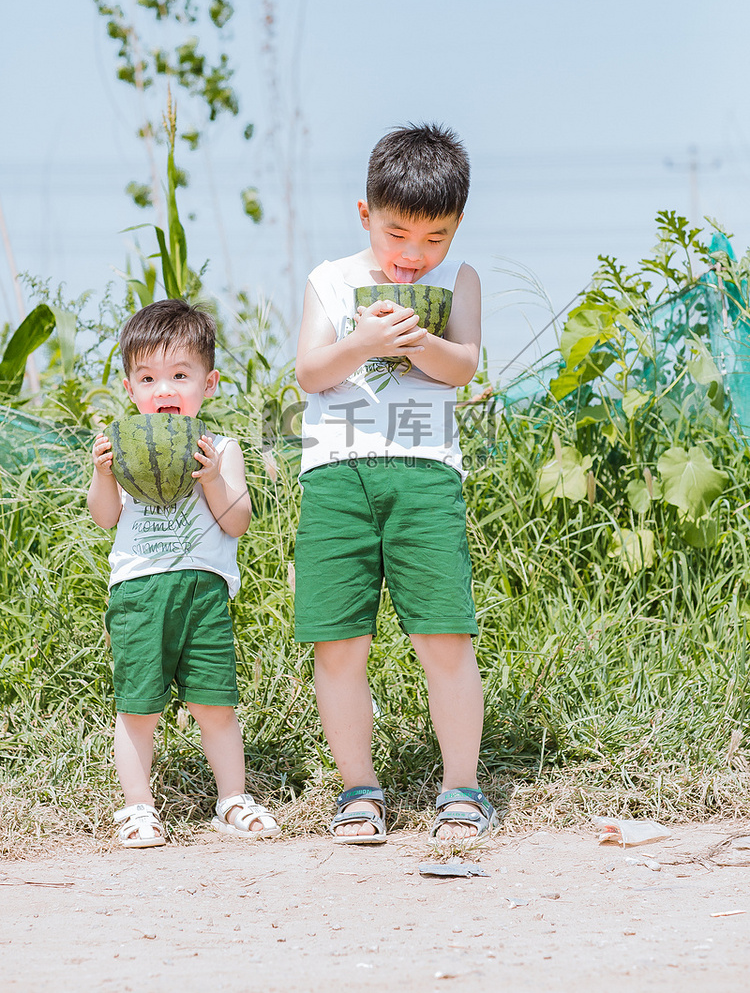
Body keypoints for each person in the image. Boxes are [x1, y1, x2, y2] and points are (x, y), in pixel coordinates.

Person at [294, 124, 497, 847]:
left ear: (456, 228)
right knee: (338, 642)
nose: (414, 255)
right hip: (335, 477)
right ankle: (358, 789)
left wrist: (418, 341)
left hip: (424, 476)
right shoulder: (331, 278)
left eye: (434, 237)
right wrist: (361, 343)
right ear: (364, 214)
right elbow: (310, 373)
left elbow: (465, 364)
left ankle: (462, 788)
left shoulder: (459, 278)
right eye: (397, 233)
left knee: (444, 634)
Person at [88, 299, 279, 847]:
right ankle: (138, 807)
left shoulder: (222, 449)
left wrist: (212, 477)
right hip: (139, 594)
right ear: (130, 390)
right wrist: (104, 476)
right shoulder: (124, 449)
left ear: (209, 383)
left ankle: (232, 800)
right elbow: (105, 518)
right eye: (147, 378)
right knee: (137, 707)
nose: (163, 389)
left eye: (179, 375)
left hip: (203, 592)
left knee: (216, 703)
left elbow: (237, 521)